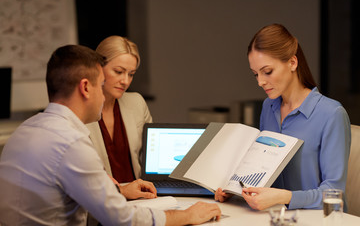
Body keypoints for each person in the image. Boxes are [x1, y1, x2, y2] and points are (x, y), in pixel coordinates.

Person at [0, 45, 221, 225]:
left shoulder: (25, 130)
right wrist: (187, 215)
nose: (104, 95)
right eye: (101, 85)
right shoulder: (70, 142)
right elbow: (121, 219)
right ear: (86, 88)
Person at [215, 23, 351, 210]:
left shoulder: (331, 114)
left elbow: (335, 194)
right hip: (275, 217)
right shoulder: (268, 107)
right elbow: (263, 171)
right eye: (255, 74)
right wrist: (236, 190)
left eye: (267, 71)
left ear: (292, 63)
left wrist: (285, 197)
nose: (261, 82)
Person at [87, 36, 151, 183]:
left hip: (140, 197)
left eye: (131, 74)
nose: (125, 81)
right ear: (98, 67)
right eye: (118, 71)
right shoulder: (81, 110)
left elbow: (150, 160)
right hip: (101, 199)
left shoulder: (136, 103)